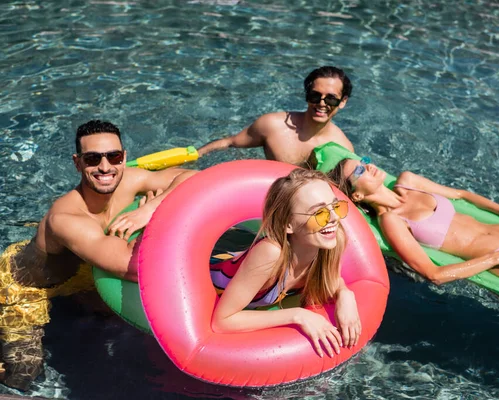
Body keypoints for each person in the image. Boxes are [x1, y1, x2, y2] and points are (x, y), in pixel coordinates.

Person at [0, 120, 196, 390]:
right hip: (27, 289)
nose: (105, 167)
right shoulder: (66, 218)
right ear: (77, 163)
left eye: (113, 156)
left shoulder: (130, 178)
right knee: (25, 374)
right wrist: (157, 217)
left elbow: (192, 177)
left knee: (111, 320)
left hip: (83, 272)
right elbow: (136, 269)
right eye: (93, 159)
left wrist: (151, 209)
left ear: (124, 157)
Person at [328, 158, 499, 289]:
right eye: (360, 170)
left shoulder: (408, 181)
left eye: (364, 161)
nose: (370, 165)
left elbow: (463, 195)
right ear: (357, 195)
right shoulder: (391, 221)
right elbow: (434, 274)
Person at [210, 168, 361, 358]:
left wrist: (346, 295)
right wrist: (298, 315)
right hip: (212, 276)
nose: (334, 218)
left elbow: (333, 281)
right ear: (288, 224)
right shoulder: (271, 254)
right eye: (319, 213)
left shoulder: (332, 241)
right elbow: (223, 321)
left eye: (335, 206)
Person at [196, 66, 355, 166]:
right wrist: (194, 157)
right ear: (307, 96)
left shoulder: (342, 148)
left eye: (331, 99)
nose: (321, 103)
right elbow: (229, 142)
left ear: (343, 102)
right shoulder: (273, 126)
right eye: (315, 96)